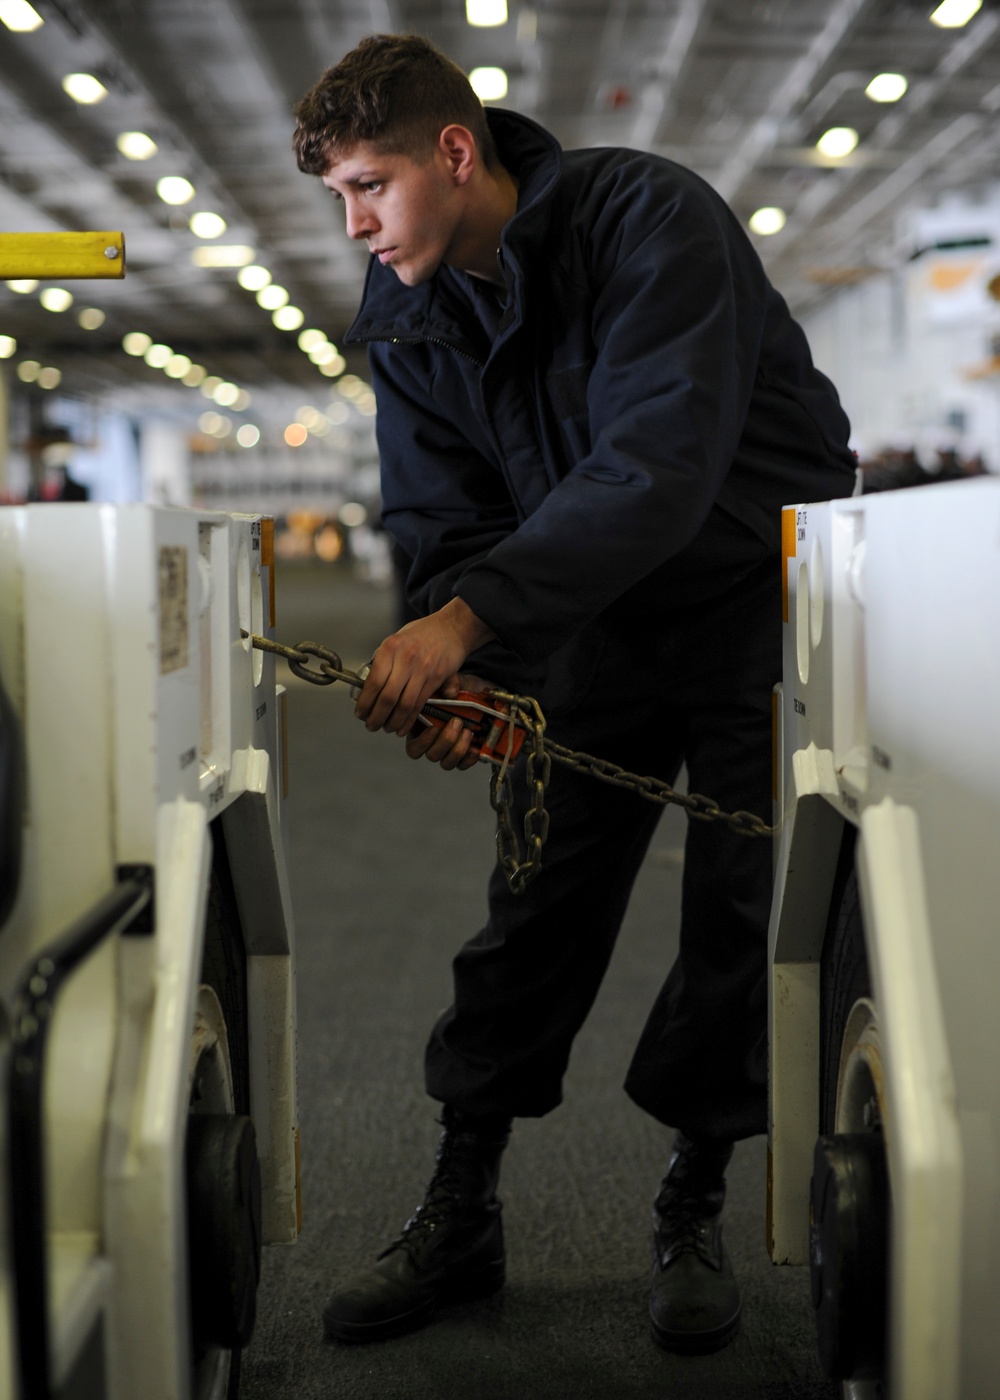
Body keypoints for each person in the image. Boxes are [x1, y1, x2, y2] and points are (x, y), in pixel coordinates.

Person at [292, 34, 858, 1354]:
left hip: (755, 609)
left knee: (736, 910)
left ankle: (692, 1199)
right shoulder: (408, 308)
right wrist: (467, 665)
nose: (356, 221)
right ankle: (463, 1200)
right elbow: (437, 508)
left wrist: (474, 621)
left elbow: (655, 462)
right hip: (583, 616)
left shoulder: (652, 218)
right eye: (337, 198)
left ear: (453, 150)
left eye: (369, 183)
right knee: (533, 906)